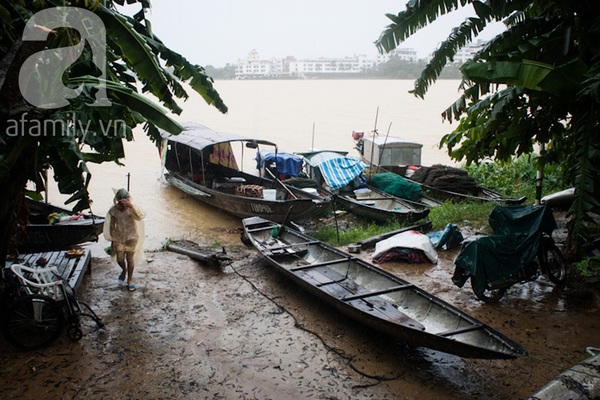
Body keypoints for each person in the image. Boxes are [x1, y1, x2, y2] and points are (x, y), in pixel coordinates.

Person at [103, 188, 145, 292]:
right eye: (121, 202)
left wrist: (131, 206)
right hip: (119, 238)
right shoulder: (113, 210)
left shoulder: (132, 209)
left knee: (130, 259)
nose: (123, 205)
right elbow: (112, 226)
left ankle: (130, 280)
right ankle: (124, 270)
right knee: (119, 259)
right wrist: (113, 239)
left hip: (132, 237)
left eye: (125, 202)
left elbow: (141, 216)